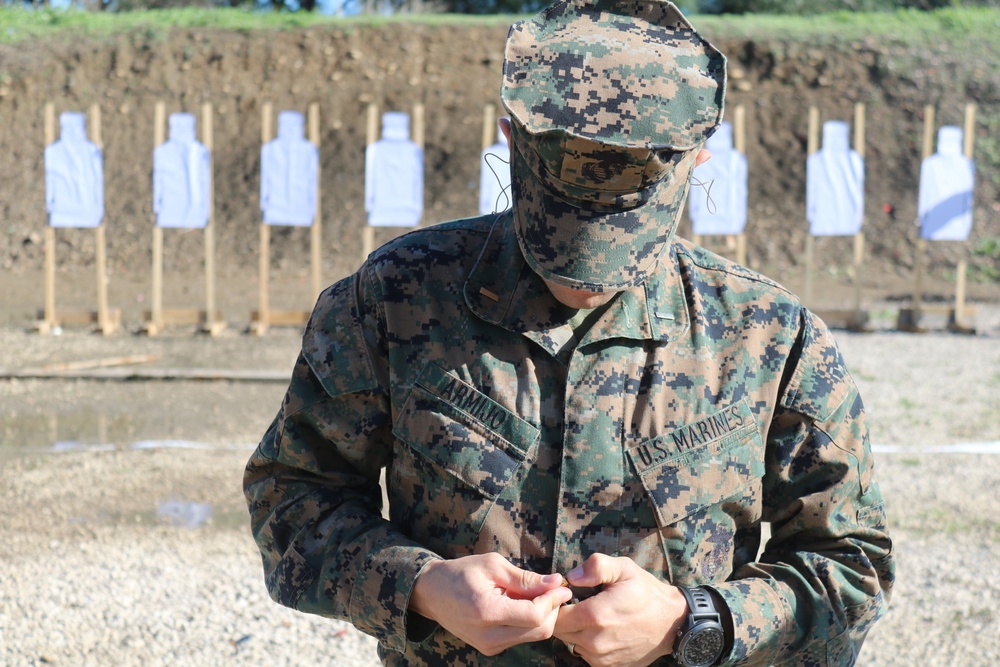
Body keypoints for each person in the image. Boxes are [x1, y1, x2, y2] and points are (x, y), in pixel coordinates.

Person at [244, 1, 895, 665]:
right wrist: (421, 585)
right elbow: (291, 500)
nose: (585, 276)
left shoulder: (765, 336)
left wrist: (693, 619)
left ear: (699, 157)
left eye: (617, 243)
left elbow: (852, 568)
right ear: (508, 136)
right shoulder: (394, 299)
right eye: (560, 231)